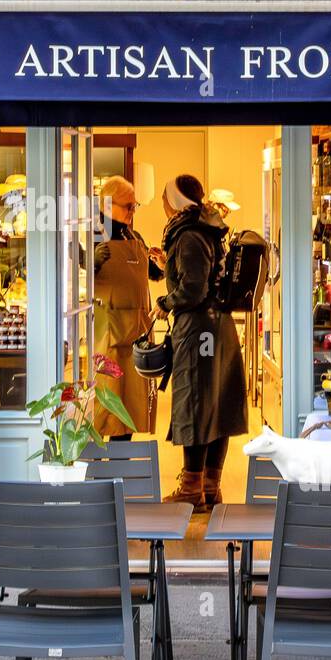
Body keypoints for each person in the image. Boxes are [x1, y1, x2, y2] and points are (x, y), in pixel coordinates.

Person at [152, 174, 247, 510]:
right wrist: (167, 266)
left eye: (165, 198)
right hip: (219, 327)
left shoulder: (189, 233)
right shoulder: (209, 227)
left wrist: (165, 303)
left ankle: (192, 490)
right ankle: (210, 487)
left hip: (198, 330)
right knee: (217, 406)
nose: (163, 205)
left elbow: (193, 290)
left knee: (195, 403)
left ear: (174, 201)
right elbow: (201, 276)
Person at [91, 175, 161, 440]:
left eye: (134, 206)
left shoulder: (135, 237)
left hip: (137, 334)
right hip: (108, 337)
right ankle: (100, 465)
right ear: (108, 205)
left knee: (130, 409)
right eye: (128, 206)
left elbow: (153, 274)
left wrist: (162, 264)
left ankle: (123, 462)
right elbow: (73, 279)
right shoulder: (93, 236)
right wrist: (91, 262)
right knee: (106, 409)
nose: (133, 211)